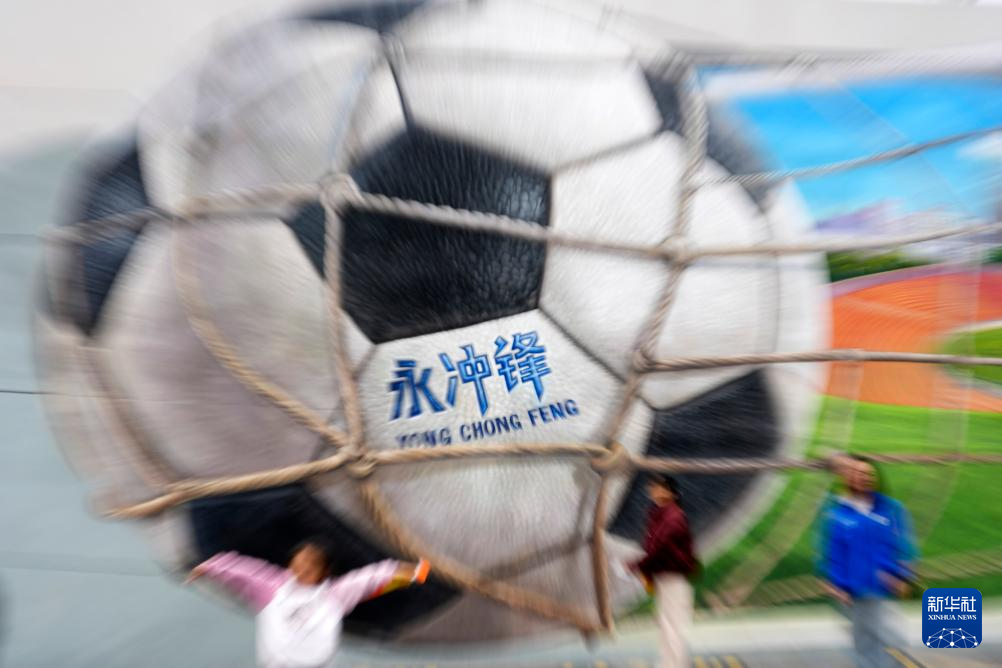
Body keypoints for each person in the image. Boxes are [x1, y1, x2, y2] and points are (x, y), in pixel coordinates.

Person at [187, 539, 430, 668]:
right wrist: (210, 566)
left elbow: (371, 577)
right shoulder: (271, 588)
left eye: (311, 565)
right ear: (290, 563)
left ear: (325, 571)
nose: (303, 569)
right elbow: (243, 571)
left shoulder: (335, 595)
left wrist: (416, 572)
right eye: (299, 563)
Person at [817, 455, 917, 668]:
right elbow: (831, 551)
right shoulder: (837, 513)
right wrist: (834, 583)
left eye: (868, 473)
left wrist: (904, 575)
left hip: (884, 586)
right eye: (858, 473)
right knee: (865, 643)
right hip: (853, 590)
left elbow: (905, 544)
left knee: (891, 639)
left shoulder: (890, 508)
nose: (864, 477)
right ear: (849, 478)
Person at [629, 474, 699, 668]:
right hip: (665, 577)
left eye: (657, 487)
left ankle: (674, 665)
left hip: (673, 578)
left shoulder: (673, 517)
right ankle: (670, 663)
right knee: (667, 625)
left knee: (672, 626)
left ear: (670, 493)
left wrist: (635, 566)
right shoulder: (660, 515)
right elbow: (653, 546)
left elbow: (659, 548)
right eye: (651, 487)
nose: (652, 490)